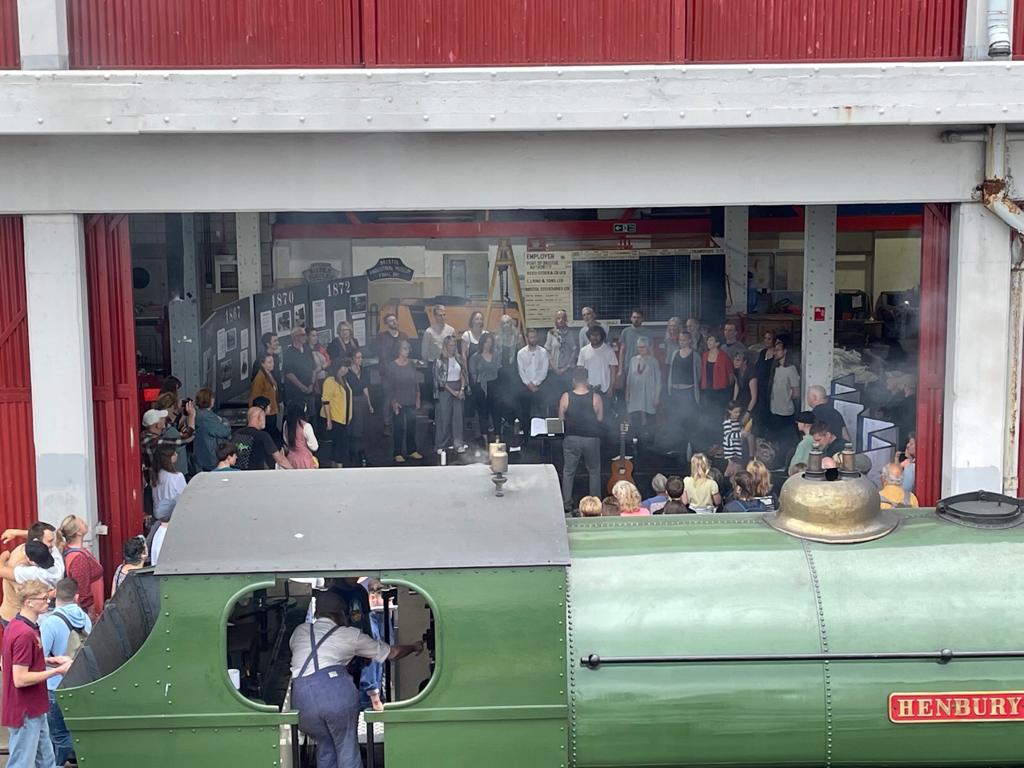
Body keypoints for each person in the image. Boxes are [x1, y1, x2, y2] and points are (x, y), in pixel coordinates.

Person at [289, 590, 423, 768]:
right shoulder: (349, 635)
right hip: (334, 697)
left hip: (302, 701)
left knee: (326, 746)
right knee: (346, 747)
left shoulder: (300, 631)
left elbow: (309, 657)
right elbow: (392, 653)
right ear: (340, 615)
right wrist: (414, 646)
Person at [2, 580, 72, 768]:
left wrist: (48, 661)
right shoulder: (25, 634)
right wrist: (57, 671)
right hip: (25, 709)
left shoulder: (18, 625)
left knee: (46, 761)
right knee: (21, 763)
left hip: (33, 707)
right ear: (29, 602)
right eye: (43, 598)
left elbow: (9, 661)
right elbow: (20, 679)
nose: (48, 602)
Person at [40, 577, 92, 767]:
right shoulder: (84, 618)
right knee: (74, 730)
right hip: (79, 682)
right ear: (77, 596)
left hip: (54, 685)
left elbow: (40, 657)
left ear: (55, 595)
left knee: (58, 735)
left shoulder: (49, 623)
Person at [558, 367, 604, 509]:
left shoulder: (566, 397)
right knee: (594, 471)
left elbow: (560, 418)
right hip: (591, 439)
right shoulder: (596, 398)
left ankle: (566, 504)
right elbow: (600, 418)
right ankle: (595, 504)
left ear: (573, 380)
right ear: (587, 379)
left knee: (568, 471)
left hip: (571, 438)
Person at [0, 523, 58, 627]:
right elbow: (26, 596)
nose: (53, 545)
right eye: (50, 542)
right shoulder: (20, 566)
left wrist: (16, 532)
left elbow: (36, 536)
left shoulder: (36, 549)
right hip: (16, 617)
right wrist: (52, 594)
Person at [58, 515, 105, 621]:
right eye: (82, 523)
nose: (85, 523)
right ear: (78, 532)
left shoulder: (74, 550)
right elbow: (83, 588)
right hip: (89, 611)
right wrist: (91, 612)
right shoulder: (78, 558)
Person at [358, 580, 394, 713]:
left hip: (379, 684)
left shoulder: (382, 619)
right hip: (369, 693)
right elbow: (371, 660)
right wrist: (374, 696)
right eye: (388, 600)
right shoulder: (370, 625)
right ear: (372, 598)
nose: (391, 605)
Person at [385, 341, 423, 464]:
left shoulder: (411, 364)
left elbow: (415, 382)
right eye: (405, 348)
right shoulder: (392, 366)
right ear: (399, 350)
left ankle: (412, 450)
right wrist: (394, 401)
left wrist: (418, 397)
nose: (407, 351)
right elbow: (390, 386)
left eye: (408, 348)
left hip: (411, 398)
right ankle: (397, 452)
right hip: (399, 400)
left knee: (412, 426)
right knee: (399, 427)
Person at [434, 336, 468, 454]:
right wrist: (453, 392)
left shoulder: (458, 358)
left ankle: (458, 443)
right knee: (444, 417)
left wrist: (462, 389)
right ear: (446, 346)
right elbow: (440, 379)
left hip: (458, 387)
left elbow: (462, 374)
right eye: (450, 345)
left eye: (454, 345)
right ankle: (442, 444)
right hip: (446, 390)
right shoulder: (440, 360)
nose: (453, 348)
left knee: (458, 417)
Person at [141, 402, 195, 475]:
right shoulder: (157, 442)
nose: (165, 420)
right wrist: (191, 416)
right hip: (159, 481)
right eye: (162, 418)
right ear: (158, 425)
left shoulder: (143, 436)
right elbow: (187, 438)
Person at [234, 406, 294, 471]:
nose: (265, 421)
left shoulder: (236, 433)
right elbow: (280, 459)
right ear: (258, 417)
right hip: (256, 475)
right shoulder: (263, 436)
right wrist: (294, 471)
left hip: (238, 473)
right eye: (264, 417)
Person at [768, 335, 801, 453]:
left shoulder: (791, 369)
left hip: (786, 410)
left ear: (785, 351)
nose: (775, 352)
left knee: (785, 439)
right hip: (774, 408)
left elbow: (796, 392)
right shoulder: (775, 367)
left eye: (778, 350)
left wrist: (787, 398)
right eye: (775, 350)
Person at [625, 337, 661, 443]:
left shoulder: (653, 361)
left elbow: (658, 381)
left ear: (648, 347)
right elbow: (629, 378)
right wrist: (627, 393)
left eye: (643, 347)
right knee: (635, 418)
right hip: (635, 394)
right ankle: (637, 441)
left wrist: (657, 397)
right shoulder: (633, 360)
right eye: (639, 347)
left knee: (650, 418)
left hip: (649, 394)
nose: (641, 349)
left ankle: (650, 441)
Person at [700, 334, 734, 440]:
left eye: (711, 340)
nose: (708, 342)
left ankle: (719, 441)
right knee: (708, 416)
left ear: (717, 343)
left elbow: (731, 375)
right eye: (708, 340)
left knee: (718, 417)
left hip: (720, 392)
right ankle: (709, 440)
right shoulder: (704, 355)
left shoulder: (724, 357)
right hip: (707, 391)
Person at [322, 358, 354, 468]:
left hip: (344, 418)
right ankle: (338, 467)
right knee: (339, 445)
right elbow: (326, 401)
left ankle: (335, 466)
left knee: (339, 445)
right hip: (335, 418)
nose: (346, 370)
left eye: (347, 367)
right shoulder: (330, 381)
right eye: (344, 367)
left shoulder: (344, 380)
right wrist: (329, 420)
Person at [517, 328, 549, 430]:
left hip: (540, 386)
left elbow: (544, 370)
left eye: (535, 337)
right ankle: (526, 436)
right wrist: (529, 384)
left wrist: (536, 383)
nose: (533, 339)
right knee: (525, 413)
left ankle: (542, 436)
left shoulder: (543, 352)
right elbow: (521, 371)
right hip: (525, 386)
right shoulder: (521, 353)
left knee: (541, 412)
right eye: (531, 337)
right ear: (527, 338)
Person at [469, 332, 500, 439]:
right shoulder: (475, 357)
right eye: (486, 342)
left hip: (494, 384)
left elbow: (497, 368)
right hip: (481, 385)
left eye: (490, 342)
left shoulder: (496, 354)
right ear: (482, 343)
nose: (488, 344)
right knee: (483, 412)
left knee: (496, 411)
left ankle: (497, 435)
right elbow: (473, 373)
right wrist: (477, 385)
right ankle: (484, 437)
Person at [345, 350, 374, 467]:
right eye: (357, 357)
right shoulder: (347, 372)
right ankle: (353, 453)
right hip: (352, 400)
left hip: (362, 400)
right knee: (355, 429)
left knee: (364, 429)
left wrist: (369, 404)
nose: (360, 360)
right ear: (352, 358)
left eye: (361, 357)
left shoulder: (364, 371)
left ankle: (363, 452)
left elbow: (365, 388)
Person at [193, 387, 232, 472]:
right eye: (212, 398)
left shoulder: (197, 414)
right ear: (208, 400)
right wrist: (225, 422)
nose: (214, 400)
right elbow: (224, 432)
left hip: (200, 454)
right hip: (211, 456)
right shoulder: (208, 417)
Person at [284, 325, 317, 420]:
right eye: (303, 334)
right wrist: (302, 386)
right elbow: (289, 373)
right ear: (295, 337)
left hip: (310, 392)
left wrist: (311, 384)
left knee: (311, 418)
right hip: (296, 394)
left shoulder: (307, 350)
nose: (305, 336)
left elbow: (313, 369)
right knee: (299, 419)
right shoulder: (289, 353)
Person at [249, 352, 282, 446]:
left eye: (273, 362)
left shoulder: (269, 375)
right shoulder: (259, 378)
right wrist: (255, 415)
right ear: (262, 364)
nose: (272, 364)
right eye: (269, 362)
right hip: (265, 413)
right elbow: (254, 397)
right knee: (271, 435)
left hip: (272, 411)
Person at [545, 309, 579, 397]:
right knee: (554, 396)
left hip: (567, 370)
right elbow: (547, 351)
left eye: (563, 318)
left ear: (566, 320)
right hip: (554, 370)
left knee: (568, 395)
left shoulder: (571, 333)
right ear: (555, 320)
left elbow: (574, 350)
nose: (560, 320)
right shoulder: (551, 333)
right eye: (558, 318)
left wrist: (566, 367)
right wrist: (554, 367)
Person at [577, 325, 618, 398]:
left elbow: (613, 371)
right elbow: (580, 370)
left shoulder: (609, 351)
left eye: (597, 335)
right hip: (587, 389)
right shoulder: (583, 351)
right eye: (593, 335)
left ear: (601, 336)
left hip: (605, 390)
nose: (595, 337)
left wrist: (611, 388)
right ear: (589, 336)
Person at [151, 447, 187, 523]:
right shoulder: (177, 476)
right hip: (172, 515)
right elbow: (185, 497)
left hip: (158, 514)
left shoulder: (156, 475)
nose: (176, 454)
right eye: (174, 453)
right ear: (169, 458)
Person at [752, 330, 776, 437]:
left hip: (769, 387)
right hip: (759, 385)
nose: (766, 341)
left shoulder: (775, 355)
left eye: (769, 338)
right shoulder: (762, 353)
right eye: (765, 338)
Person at [284, 401, 319, 469]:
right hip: (304, 460)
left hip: (290, 458)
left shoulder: (286, 424)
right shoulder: (306, 426)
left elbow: (286, 440)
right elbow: (314, 447)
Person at [617, 309, 646, 385]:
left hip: (643, 367)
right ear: (631, 318)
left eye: (638, 317)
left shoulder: (648, 333)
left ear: (642, 319)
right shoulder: (625, 332)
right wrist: (620, 370)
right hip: (628, 367)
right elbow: (622, 351)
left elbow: (651, 350)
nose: (636, 319)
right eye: (634, 317)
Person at [722, 401, 745, 467]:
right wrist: (740, 434)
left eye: (739, 412)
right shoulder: (727, 422)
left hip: (737, 449)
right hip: (731, 451)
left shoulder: (736, 422)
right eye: (736, 412)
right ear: (730, 411)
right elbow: (728, 435)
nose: (738, 414)